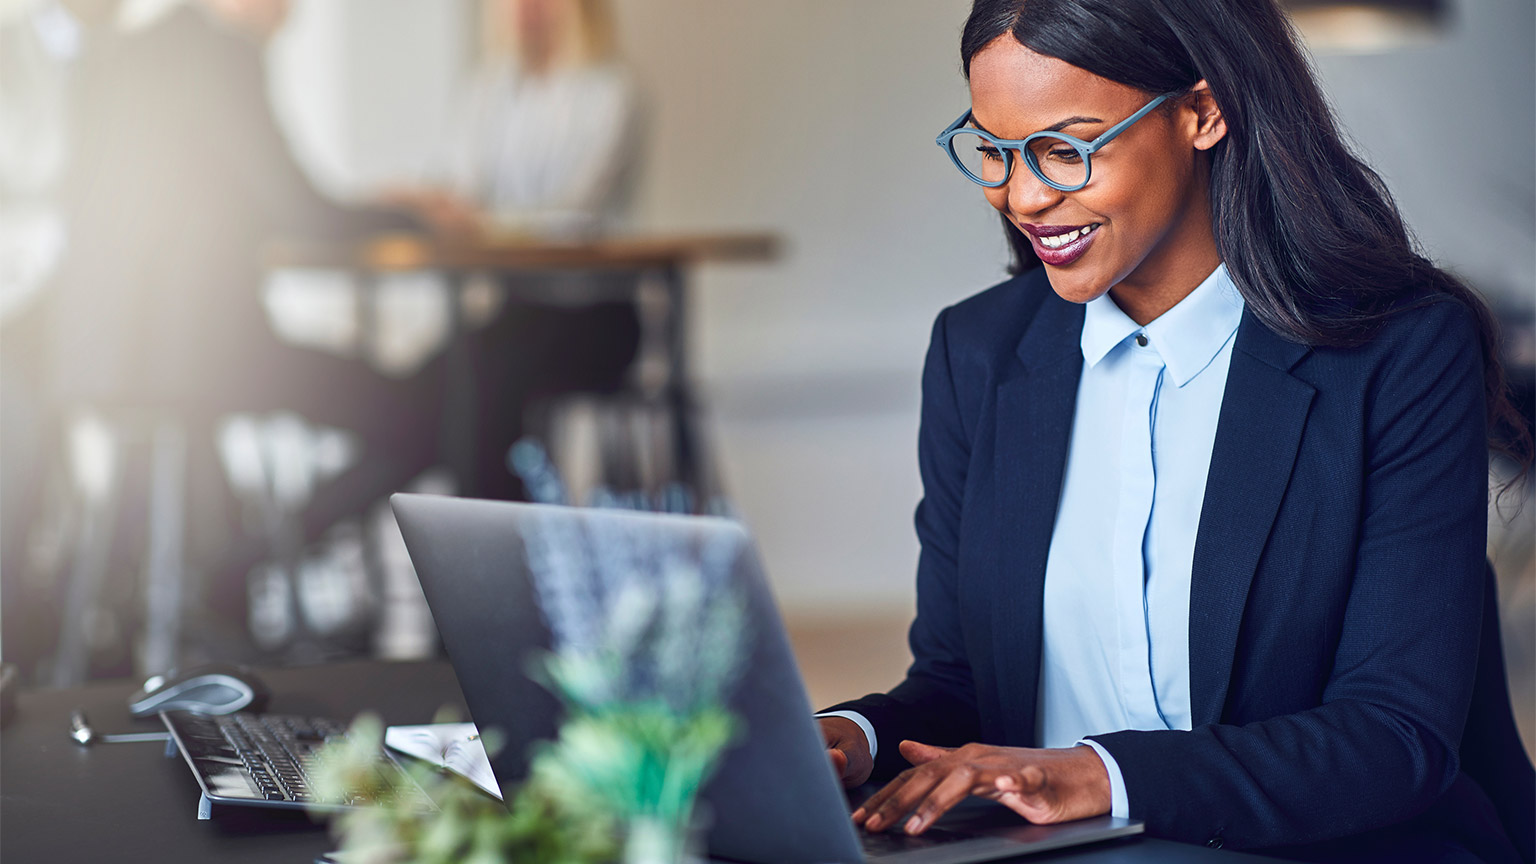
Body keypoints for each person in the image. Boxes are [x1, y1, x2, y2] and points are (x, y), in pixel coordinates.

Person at [816, 1, 1533, 862]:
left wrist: (1096, 776)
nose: (1024, 196)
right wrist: (850, 735)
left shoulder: (1398, 350)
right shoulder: (981, 353)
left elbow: (1391, 737)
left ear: (1203, 109)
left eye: (1065, 148)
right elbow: (963, 687)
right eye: (995, 152)